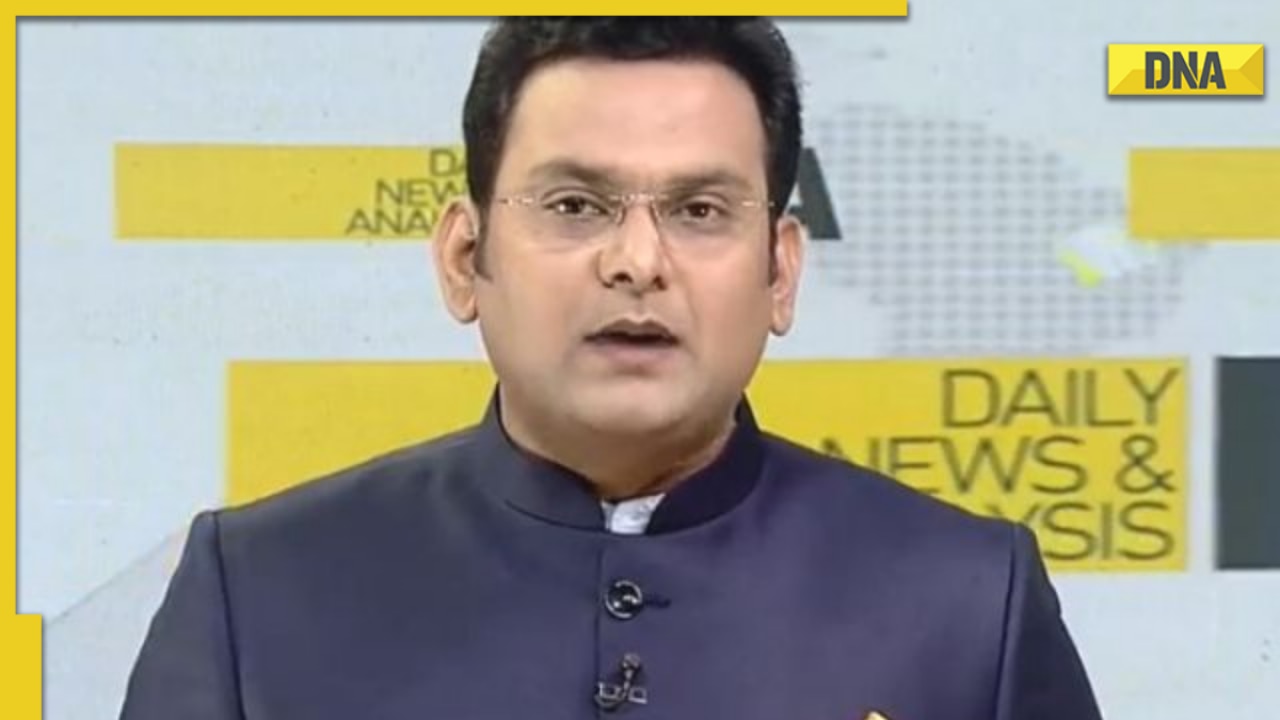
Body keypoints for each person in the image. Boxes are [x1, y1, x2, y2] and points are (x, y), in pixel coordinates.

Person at [120, 18, 1104, 720]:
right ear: (464, 259)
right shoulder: (255, 592)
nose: (637, 261)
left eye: (699, 211)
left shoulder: (969, 601)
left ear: (779, 271)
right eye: (575, 206)